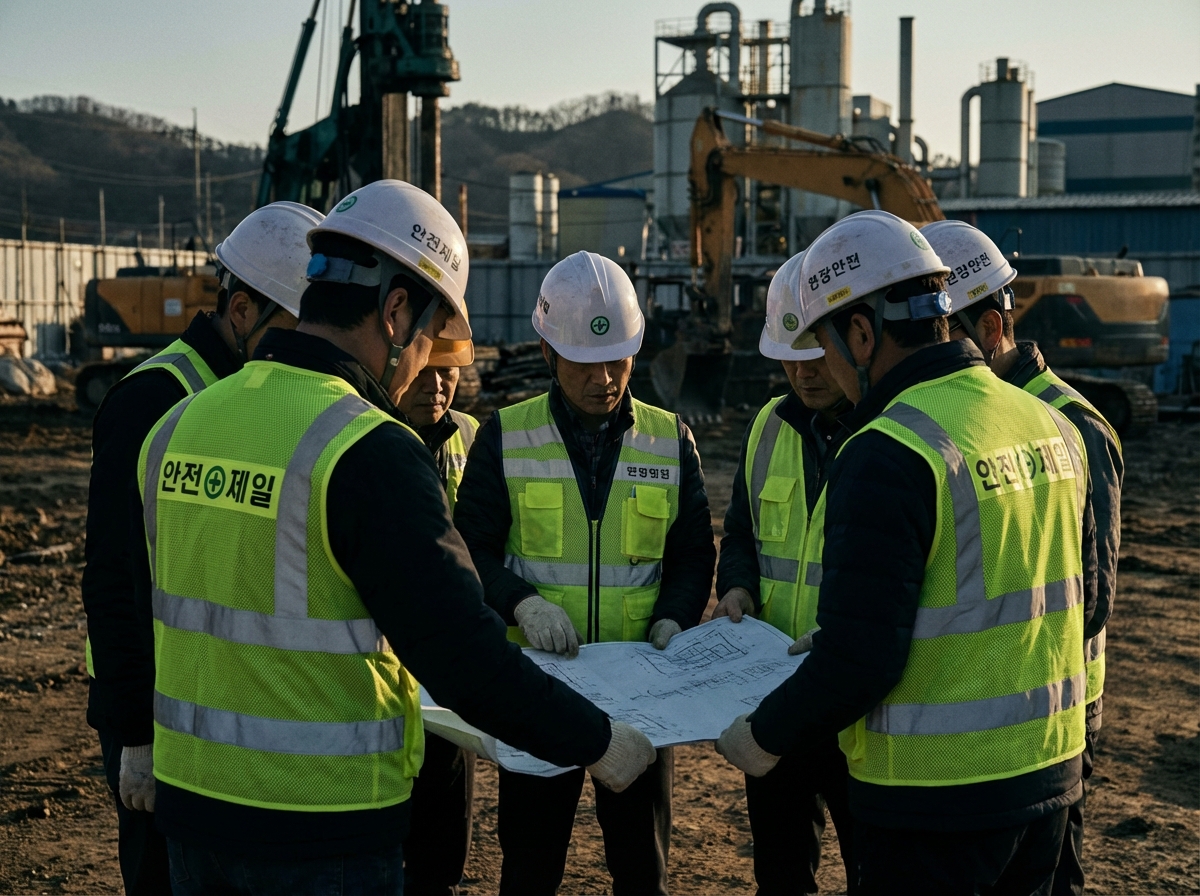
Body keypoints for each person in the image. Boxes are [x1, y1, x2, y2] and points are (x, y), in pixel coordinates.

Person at [133, 181, 656, 895]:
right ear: (398, 310)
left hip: (191, 815)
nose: (426, 366)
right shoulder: (365, 449)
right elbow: (463, 656)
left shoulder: (177, 426)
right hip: (322, 828)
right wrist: (596, 741)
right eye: (435, 335)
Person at [714, 210, 1098, 896]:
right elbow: (1082, 598)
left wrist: (763, 734)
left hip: (936, 802)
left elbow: (862, 660)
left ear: (861, 333)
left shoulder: (887, 448)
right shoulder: (1046, 422)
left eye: (826, 345)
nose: (822, 367)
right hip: (1049, 778)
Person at [453, 250, 716, 896]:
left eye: (618, 359)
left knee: (640, 869)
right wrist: (521, 604)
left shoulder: (669, 439)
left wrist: (674, 617)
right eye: (585, 363)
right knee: (531, 865)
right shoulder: (505, 438)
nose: (604, 378)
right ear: (547, 353)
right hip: (540, 691)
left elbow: (691, 552)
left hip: (641, 694)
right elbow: (469, 549)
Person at [81, 200, 323, 895]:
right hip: (156, 700)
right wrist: (135, 733)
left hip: (228, 692)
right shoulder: (154, 398)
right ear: (241, 310)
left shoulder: (267, 393)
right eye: (294, 327)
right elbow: (112, 575)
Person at [922, 219, 1122, 896]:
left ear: (991, 329)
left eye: (937, 333)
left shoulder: (1074, 425)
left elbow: (1091, 603)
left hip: (1052, 725)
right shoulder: (976, 415)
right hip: (995, 728)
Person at [711, 250, 855, 895]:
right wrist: (735, 585)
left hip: (858, 701)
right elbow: (741, 531)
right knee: (780, 868)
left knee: (875, 868)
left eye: (815, 353)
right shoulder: (768, 426)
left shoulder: (891, 432)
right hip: (773, 694)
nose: (803, 372)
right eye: (789, 357)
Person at [395, 330, 480, 895]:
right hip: (385, 661)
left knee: (446, 821)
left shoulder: (473, 437)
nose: (438, 385)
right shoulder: (367, 434)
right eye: (426, 373)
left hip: (449, 664)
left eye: (447, 372)